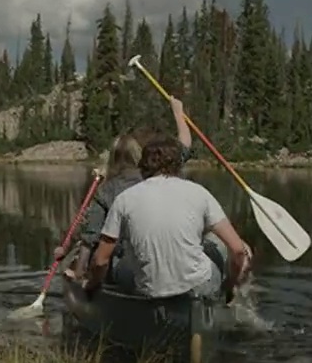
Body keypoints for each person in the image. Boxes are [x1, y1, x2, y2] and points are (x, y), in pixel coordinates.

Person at [83, 135, 253, 303]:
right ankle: (225, 297)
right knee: (222, 246)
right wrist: (230, 283)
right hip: (197, 287)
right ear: (179, 166)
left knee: (119, 263)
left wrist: (92, 285)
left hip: (147, 290)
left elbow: (100, 260)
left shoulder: (124, 199)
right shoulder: (200, 193)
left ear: (142, 165)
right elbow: (238, 250)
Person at [52, 97, 194, 280]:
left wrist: (77, 269)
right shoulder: (160, 174)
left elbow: (90, 238)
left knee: (91, 246)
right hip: (168, 258)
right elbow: (184, 147)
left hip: (124, 264)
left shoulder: (105, 191)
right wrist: (178, 112)